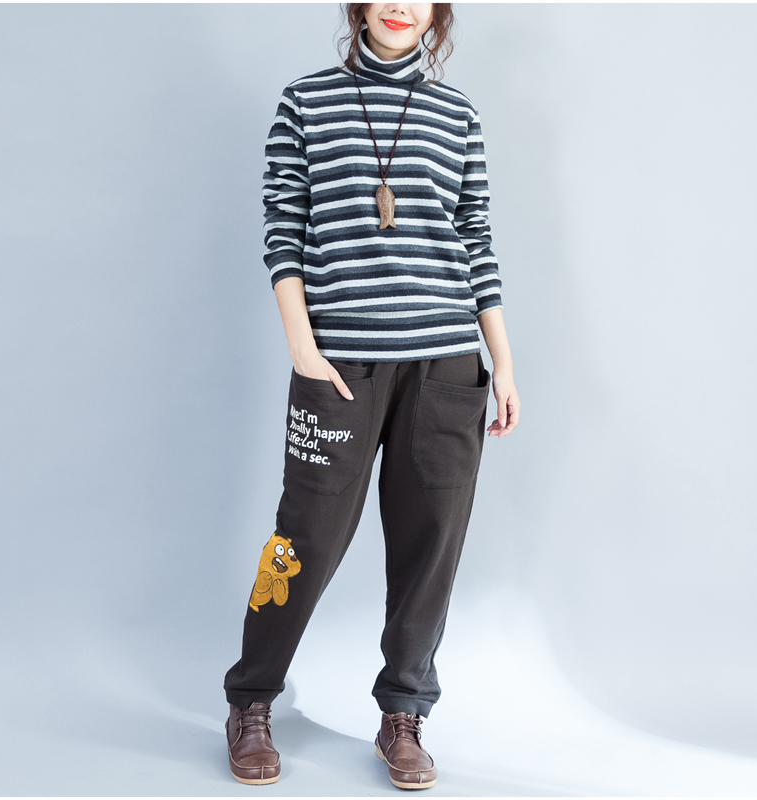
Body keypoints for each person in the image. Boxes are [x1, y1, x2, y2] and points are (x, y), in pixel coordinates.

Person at [223, 2, 520, 789]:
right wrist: (302, 345)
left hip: (445, 364)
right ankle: (251, 699)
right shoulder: (306, 101)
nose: (400, 5)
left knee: (431, 546)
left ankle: (404, 714)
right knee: (304, 539)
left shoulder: (457, 114)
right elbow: (283, 224)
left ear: (436, 12)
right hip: (339, 367)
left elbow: (475, 237)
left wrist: (502, 360)